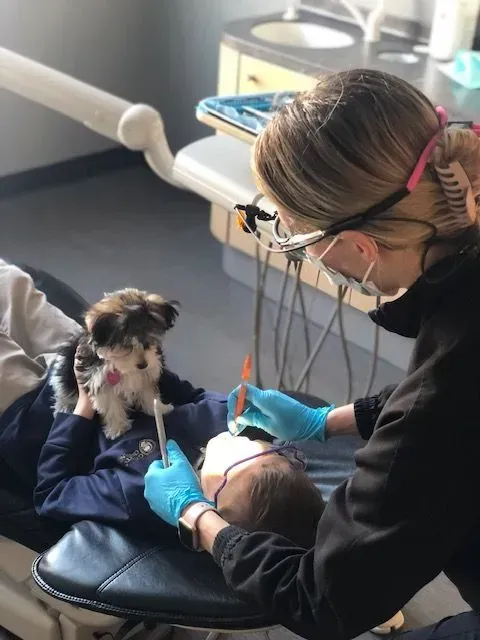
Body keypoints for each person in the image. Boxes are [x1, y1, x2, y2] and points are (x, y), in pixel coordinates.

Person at [143, 68, 480, 640]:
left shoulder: (441, 396)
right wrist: (331, 420)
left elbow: (321, 600)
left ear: (359, 245)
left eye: (299, 239)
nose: (303, 253)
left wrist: (195, 516)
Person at [0, 259, 324, 551]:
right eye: (267, 448)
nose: (241, 442)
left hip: (33, 416)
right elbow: (192, 397)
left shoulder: (139, 493)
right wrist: (140, 373)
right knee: (11, 281)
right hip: (100, 365)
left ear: (210, 508)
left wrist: (82, 410)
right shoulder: (237, 430)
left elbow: (52, 494)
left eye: (237, 465)